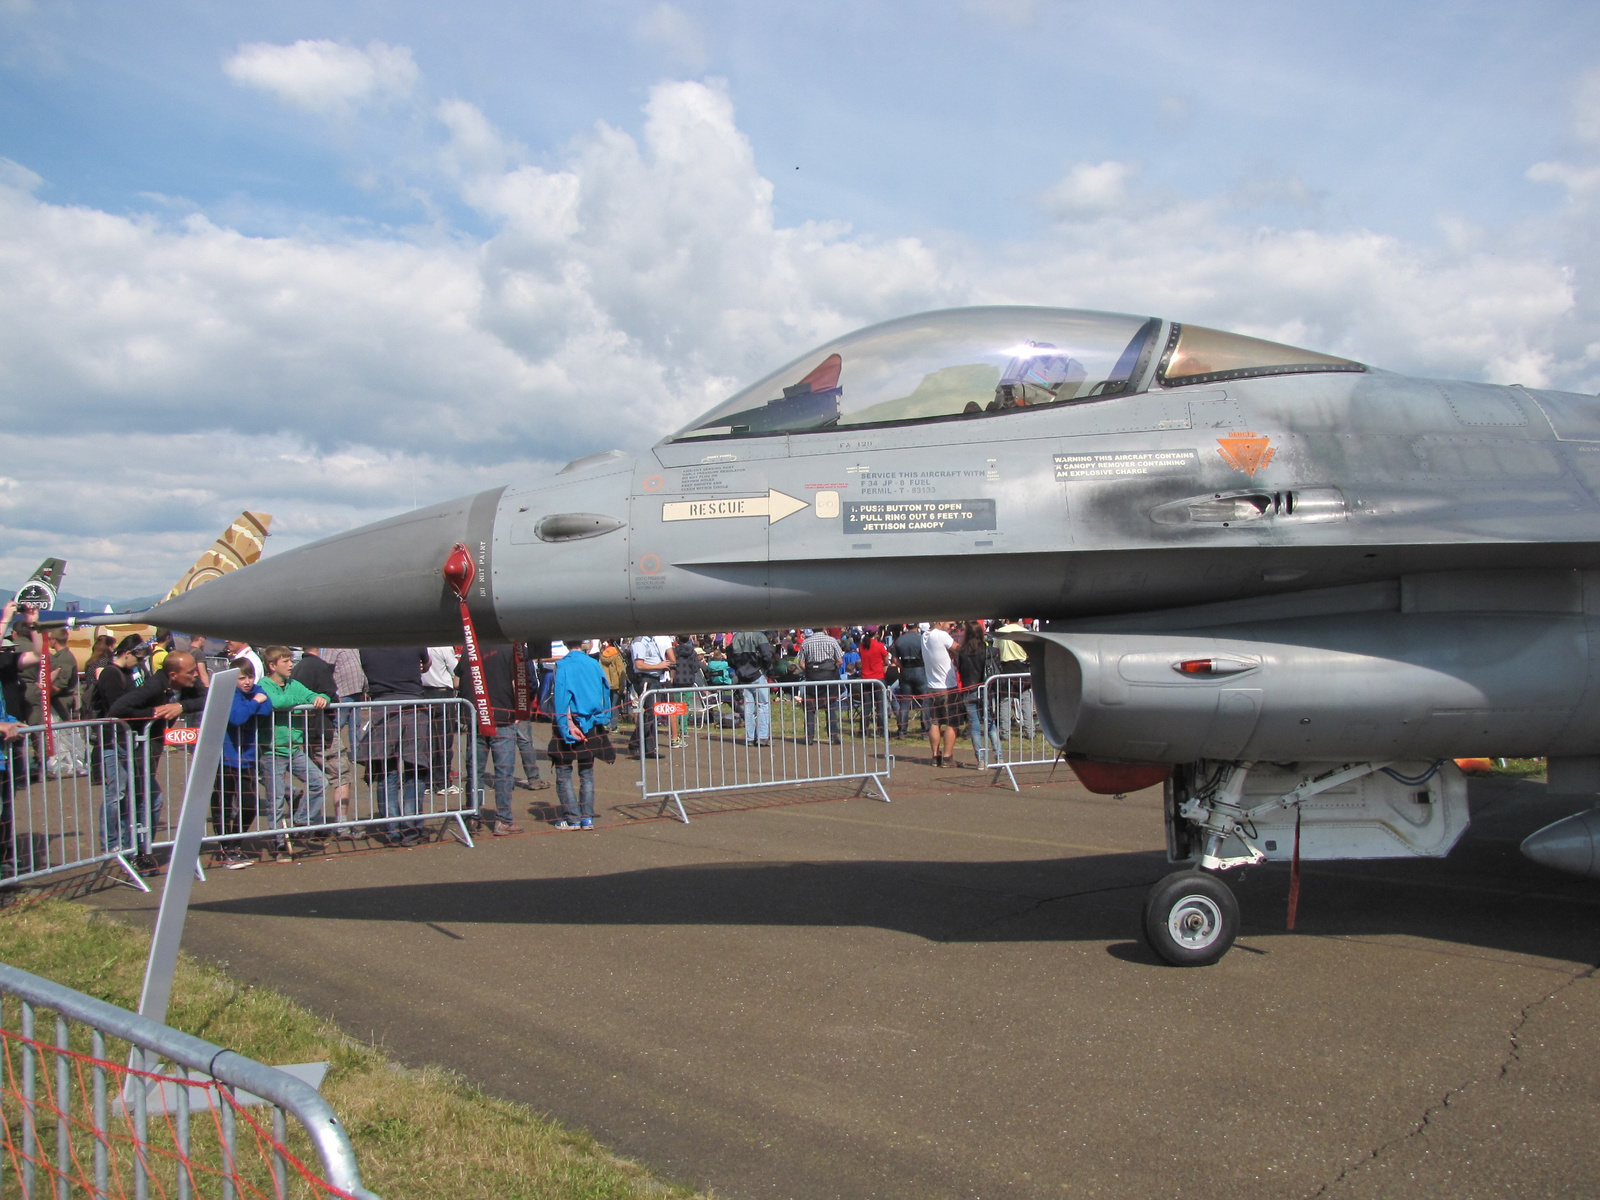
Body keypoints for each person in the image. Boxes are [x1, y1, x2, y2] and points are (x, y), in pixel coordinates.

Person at [108, 649, 206, 869]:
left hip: (151, 748)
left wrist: (181, 706)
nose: (195, 675)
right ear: (173, 675)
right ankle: (127, 849)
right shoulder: (154, 686)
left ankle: (141, 850)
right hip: (129, 746)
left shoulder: (188, 685)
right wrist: (154, 713)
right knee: (134, 798)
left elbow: (208, 696)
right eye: (190, 672)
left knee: (146, 799)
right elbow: (118, 708)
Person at [258, 646, 329, 858]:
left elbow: (315, 695)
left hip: (293, 749)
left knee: (320, 782)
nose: (291, 665)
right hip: (271, 751)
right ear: (272, 666)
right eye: (286, 661)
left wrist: (322, 697)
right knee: (276, 799)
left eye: (291, 660)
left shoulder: (293, 684)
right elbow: (277, 702)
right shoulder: (263, 685)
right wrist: (300, 702)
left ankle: (301, 821)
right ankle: (278, 843)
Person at [356, 646, 432, 844]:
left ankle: (393, 830)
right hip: (413, 706)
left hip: (382, 709)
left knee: (386, 772)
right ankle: (411, 829)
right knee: (414, 770)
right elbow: (427, 665)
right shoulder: (414, 641)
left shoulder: (366, 648)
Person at [212, 659, 273, 867]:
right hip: (226, 758)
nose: (247, 682)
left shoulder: (256, 689)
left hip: (247, 759)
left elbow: (267, 707)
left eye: (249, 677)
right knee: (223, 805)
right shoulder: (230, 694)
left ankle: (235, 843)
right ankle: (225, 846)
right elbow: (237, 717)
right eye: (241, 678)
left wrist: (255, 702)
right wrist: (255, 702)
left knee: (250, 806)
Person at [465, 643, 527, 836]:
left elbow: (459, 679)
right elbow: (522, 682)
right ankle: (503, 819)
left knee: (475, 770)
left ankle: (473, 816)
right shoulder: (512, 649)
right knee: (504, 772)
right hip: (502, 716)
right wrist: (520, 709)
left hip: (477, 716)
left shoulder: (471, 647)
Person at [549, 647, 613, 830]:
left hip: (573, 720)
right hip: (591, 721)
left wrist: (566, 724)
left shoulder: (562, 665)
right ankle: (587, 818)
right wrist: (603, 717)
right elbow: (605, 691)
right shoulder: (594, 663)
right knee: (586, 772)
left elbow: (561, 698)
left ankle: (573, 818)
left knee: (563, 772)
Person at [292, 648, 352, 831]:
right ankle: (341, 825)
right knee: (341, 775)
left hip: (306, 730)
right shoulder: (319, 666)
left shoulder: (297, 667)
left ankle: (314, 820)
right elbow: (331, 694)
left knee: (317, 777)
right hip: (322, 730)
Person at [957, 621, 999, 767]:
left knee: (974, 726)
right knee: (990, 724)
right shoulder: (986, 650)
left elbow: (961, 671)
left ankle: (980, 760)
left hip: (969, 689)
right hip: (984, 689)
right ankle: (998, 756)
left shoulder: (962, 652)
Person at [627, 634, 673, 759]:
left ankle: (649, 748)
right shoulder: (639, 642)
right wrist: (659, 666)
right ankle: (635, 743)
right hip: (645, 679)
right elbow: (639, 665)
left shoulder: (651, 641)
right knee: (649, 714)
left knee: (652, 715)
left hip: (655, 678)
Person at [922, 620, 960, 767]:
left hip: (932, 685)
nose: (952, 627)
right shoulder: (941, 635)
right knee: (952, 723)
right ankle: (947, 756)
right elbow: (958, 648)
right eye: (950, 624)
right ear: (941, 622)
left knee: (935, 722)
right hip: (947, 686)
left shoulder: (925, 635)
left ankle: (935, 755)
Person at [798, 627, 844, 745]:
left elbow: (801, 663)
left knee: (810, 708)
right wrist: (832, 669)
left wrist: (811, 670)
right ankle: (833, 736)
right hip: (829, 678)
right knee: (831, 706)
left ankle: (809, 737)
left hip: (813, 679)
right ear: (823, 628)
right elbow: (840, 661)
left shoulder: (806, 642)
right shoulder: (832, 640)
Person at [730, 630, 775, 747]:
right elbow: (767, 655)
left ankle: (750, 738)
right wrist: (765, 669)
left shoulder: (735, 637)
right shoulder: (759, 636)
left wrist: (739, 670)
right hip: (758, 674)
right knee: (763, 705)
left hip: (743, 676)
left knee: (748, 708)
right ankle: (762, 737)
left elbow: (730, 658)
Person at [993, 618, 1035, 742]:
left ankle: (1005, 733)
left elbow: (997, 651)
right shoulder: (1024, 631)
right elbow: (1029, 652)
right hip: (1022, 667)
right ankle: (1030, 731)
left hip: (1006, 667)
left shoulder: (1001, 631)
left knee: (1006, 701)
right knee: (1026, 701)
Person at [892, 624, 928, 738]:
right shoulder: (921, 639)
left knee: (905, 702)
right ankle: (925, 731)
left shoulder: (900, 640)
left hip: (906, 670)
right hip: (920, 670)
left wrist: (902, 666)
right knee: (925, 702)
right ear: (917, 626)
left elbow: (894, 659)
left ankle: (902, 731)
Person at [857, 631, 890, 735]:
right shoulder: (880, 646)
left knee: (867, 706)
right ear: (875, 634)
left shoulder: (862, 646)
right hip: (878, 678)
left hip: (866, 678)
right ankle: (882, 730)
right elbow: (886, 661)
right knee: (880, 705)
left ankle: (863, 730)